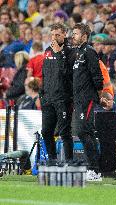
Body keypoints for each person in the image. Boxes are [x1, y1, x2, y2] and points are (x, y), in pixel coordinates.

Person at [72, 23, 103, 175]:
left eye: (76, 33)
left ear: (84, 36)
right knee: (86, 132)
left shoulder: (89, 52)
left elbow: (98, 77)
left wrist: (99, 95)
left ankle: (94, 169)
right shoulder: (77, 52)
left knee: (83, 131)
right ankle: (94, 168)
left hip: (87, 98)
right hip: (78, 99)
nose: (73, 36)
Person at [41, 23, 73, 166]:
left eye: (57, 35)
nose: (54, 38)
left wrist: (59, 54)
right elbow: (45, 74)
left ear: (65, 34)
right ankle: (52, 161)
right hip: (48, 99)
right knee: (46, 131)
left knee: (65, 133)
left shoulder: (70, 51)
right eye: (52, 35)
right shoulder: (47, 51)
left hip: (63, 99)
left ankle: (69, 163)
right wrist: (42, 95)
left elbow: (68, 74)